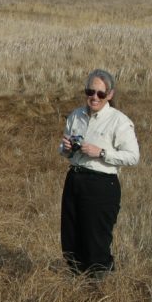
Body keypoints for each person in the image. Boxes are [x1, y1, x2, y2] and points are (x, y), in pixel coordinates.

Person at [58, 69, 139, 276]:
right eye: (90, 91)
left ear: (110, 95)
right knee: (71, 239)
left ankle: (101, 290)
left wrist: (101, 152)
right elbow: (63, 148)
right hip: (74, 179)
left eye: (100, 94)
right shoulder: (76, 115)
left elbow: (132, 156)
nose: (94, 97)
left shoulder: (119, 121)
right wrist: (66, 149)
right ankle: (76, 284)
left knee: (95, 243)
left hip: (101, 185)